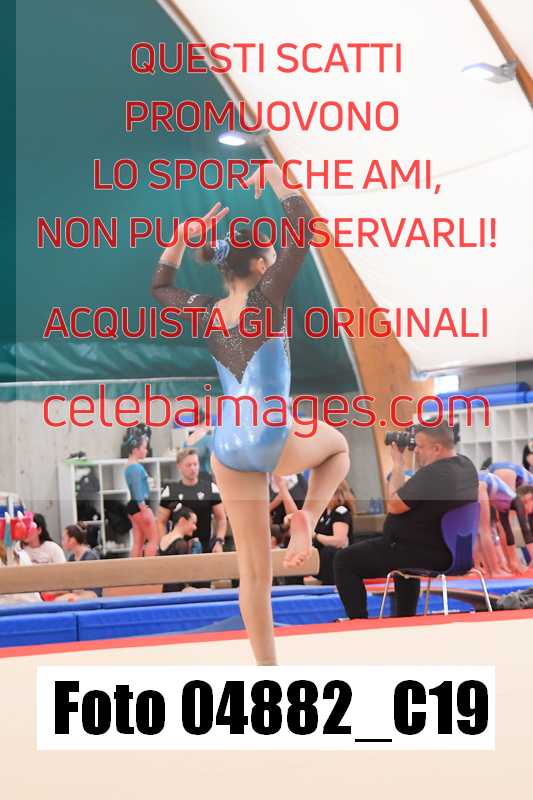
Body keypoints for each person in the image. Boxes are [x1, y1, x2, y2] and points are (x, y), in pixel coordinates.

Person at [151, 164, 349, 664]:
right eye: (270, 255)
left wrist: (179, 240)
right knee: (339, 448)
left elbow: (161, 287)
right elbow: (303, 231)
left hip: (227, 448)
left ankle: (267, 672)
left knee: (253, 573)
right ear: (261, 264)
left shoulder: (207, 309)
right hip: (270, 438)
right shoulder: (266, 299)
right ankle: (307, 516)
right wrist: (277, 175)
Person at [334, 422, 478, 618]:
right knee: (402, 558)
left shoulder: (433, 473)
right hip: (451, 552)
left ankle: (359, 623)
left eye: (420, 446)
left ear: (437, 448)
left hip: (423, 553)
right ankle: (405, 618)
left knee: (344, 560)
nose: (415, 451)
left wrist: (398, 464)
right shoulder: (466, 466)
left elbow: (394, 504)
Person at [158, 448, 227, 553]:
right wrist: (164, 544)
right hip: (178, 550)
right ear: (179, 466)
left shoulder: (210, 488)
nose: (193, 468)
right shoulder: (170, 491)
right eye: (188, 465)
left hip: (205, 548)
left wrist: (219, 542)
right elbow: (161, 522)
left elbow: (221, 519)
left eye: (195, 464)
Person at [478, 470, 533, 574]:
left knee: (480, 531)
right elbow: (525, 529)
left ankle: (482, 566)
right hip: (483, 481)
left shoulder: (504, 505)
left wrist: (512, 561)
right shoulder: (516, 500)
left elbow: (508, 532)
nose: (528, 511)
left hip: (480, 480)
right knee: (485, 531)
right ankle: (497, 569)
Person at [311, 480, 356, 584]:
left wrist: (316, 536)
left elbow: (339, 541)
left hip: (336, 556)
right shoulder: (325, 513)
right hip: (321, 556)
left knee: (329, 551)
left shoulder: (341, 511)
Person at [124, 432, 158, 557]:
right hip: (140, 505)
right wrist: (143, 508)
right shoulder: (135, 468)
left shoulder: (130, 465)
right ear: (135, 450)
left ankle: (135, 567)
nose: (146, 451)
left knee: (138, 542)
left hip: (134, 506)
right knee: (153, 540)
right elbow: (137, 489)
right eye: (144, 448)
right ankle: (150, 567)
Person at [158, 506, 201, 593]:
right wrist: (194, 551)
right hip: (177, 591)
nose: (195, 527)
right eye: (193, 523)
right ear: (182, 521)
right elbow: (188, 574)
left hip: (165, 589)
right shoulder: (181, 544)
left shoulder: (164, 539)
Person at [61, 523, 102, 598]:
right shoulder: (72, 558)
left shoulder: (90, 557)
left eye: (64, 539)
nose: (62, 542)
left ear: (72, 540)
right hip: (78, 593)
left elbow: (88, 585)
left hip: (91, 593)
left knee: (66, 599)